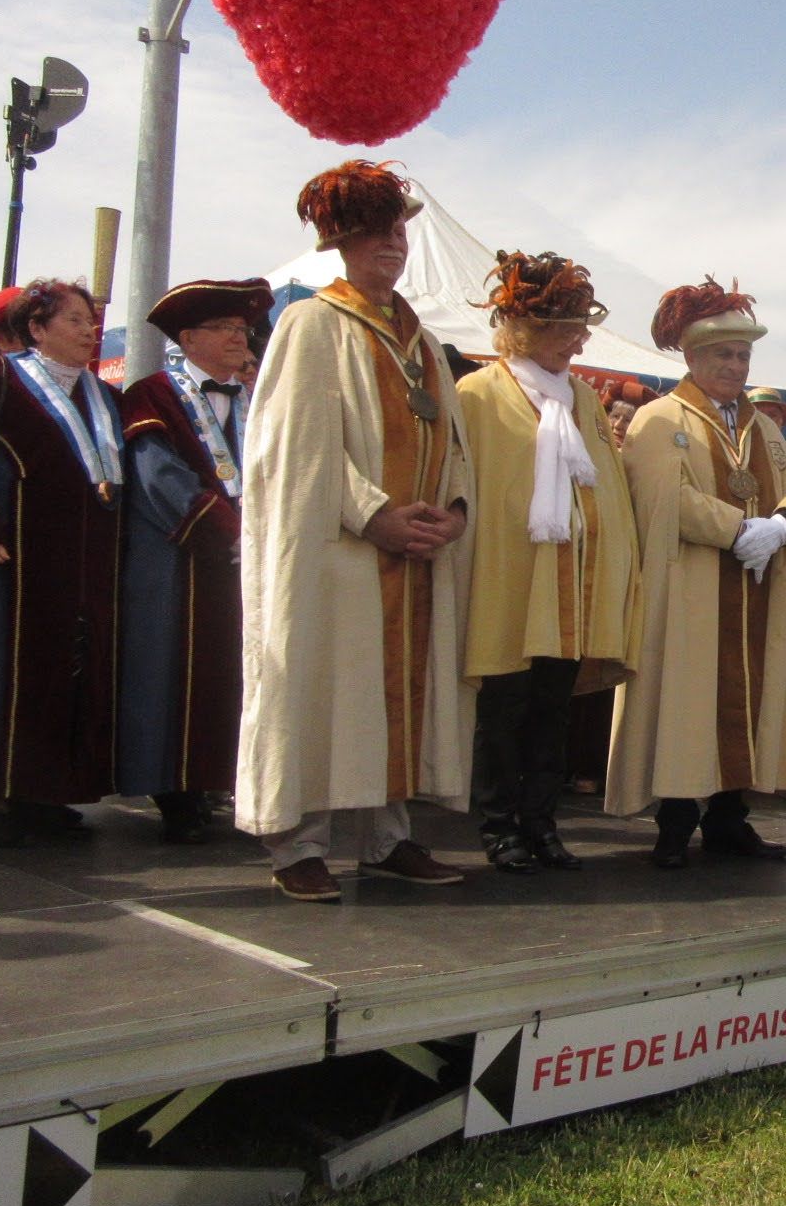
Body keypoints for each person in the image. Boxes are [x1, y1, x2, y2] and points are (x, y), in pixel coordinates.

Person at [236, 160, 474, 901]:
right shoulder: (312, 322)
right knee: (323, 683)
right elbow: (295, 446)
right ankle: (299, 842)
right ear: (342, 243)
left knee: (397, 694)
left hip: (418, 556)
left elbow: (458, 442)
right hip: (342, 551)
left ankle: (387, 836)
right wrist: (375, 514)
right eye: (376, 234)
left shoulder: (425, 342)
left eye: (400, 232)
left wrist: (453, 511)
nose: (393, 245)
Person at [607, 276, 786, 866]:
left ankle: (731, 821)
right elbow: (662, 498)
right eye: (723, 354)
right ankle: (674, 824)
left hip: (754, 594)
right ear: (693, 357)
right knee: (685, 702)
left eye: (743, 355)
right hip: (692, 591)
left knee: (747, 705)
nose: (735, 365)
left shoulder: (764, 430)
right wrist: (738, 530)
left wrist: (781, 526)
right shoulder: (658, 419)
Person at [455, 249, 641, 874]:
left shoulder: (584, 401)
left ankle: (542, 822)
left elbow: (606, 484)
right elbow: (470, 482)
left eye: (580, 325)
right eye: (567, 327)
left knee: (552, 709)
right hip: (511, 577)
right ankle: (498, 826)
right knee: (503, 706)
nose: (581, 338)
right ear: (526, 329)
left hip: (572, 582)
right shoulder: (478, 393)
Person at [0, 279, 124, 847]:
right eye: (74, 321)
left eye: (91, 322)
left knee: (74, 671)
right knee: (1, 675)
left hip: (83, 562)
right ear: (36, 329)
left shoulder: (104, 397)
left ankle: (46, 793)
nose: (89, 332)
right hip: (10, 560)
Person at [115, 277, 272, 845]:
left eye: (242, 328)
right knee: (173, 673)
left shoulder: (263, 395)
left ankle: (230, 781)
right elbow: (160, 477)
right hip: (181, 561)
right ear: (188, 337)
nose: (240, 337)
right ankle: (176, 789)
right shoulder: (153, 394)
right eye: (226, 328)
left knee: (245, 674)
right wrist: (231, 532)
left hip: (258, 562)